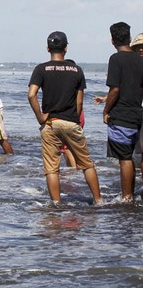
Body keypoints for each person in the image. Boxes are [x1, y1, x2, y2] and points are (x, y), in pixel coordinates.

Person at [27, 31, 102, 205]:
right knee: (87, 164)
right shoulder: (76, 70)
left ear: (47, 48)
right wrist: (75, 120)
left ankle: (56, 204)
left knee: (52, 168)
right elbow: (80, 101)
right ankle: (98, 201)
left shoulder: (41, 68)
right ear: (66, 48)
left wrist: (40, 116)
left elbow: (31, 95)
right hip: (70, 121)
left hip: (50, 123)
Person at [102, 22, 143, 202]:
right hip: (138, 113)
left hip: (122, 115)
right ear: (128, 37)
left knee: (125, 159)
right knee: (139, 155)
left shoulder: (115, 59)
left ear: (112, 40)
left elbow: (115, 90)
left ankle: (128, 197)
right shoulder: (139, 60)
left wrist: (106, 110)